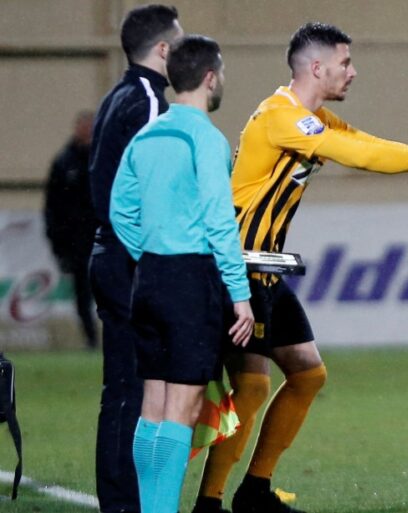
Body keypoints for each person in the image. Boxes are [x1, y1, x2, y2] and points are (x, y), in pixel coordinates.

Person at [191, 22, 408, 513]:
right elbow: (356, 153)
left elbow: (365, 141)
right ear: (316, 67)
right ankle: (209, 502)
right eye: (345, 63)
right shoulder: (280, 115)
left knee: (307, 374)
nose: (352, 71)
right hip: (237, 270)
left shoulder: (314, 118)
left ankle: (255, 491)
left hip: (267, 270)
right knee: (253, 386)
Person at [110, 34, 254, 513]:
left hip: (149, 278)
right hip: (191, 281)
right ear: (210, 78)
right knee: (183, 409)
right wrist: (239, 294)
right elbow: (219, 219)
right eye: (222, 73)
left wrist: (154, 249)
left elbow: (120, 210)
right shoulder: (206, 139)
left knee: (153, 405)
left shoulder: (147, 136)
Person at [88, 5, 183, 512]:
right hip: (129, 259)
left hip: (109, 253)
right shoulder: (147, 101)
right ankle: (124, 502)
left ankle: (120, 497)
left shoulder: (116, 96)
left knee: (122, 387)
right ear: (163, 49)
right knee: (136, 386)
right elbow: (149, 189)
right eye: (180, 43)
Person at [44, 110, 97, 349]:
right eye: (84, 126)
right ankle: (91, 339)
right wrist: (58, 243)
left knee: (110, 292)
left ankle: (117, 339)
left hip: (102, 240)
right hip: (76, 243)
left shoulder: (104, 158)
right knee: (82, 294)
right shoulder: (64, 162)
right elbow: (52, 207)